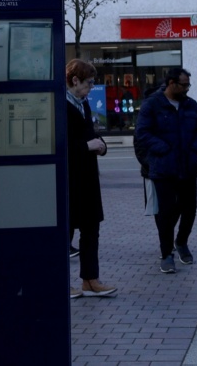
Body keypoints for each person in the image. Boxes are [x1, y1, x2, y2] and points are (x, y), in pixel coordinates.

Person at [133, 67, 197, 274]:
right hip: (163, 169)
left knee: (189, 208)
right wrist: (163, 150)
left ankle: (181, 242)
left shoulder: (190, 105)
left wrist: (194, 150)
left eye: (188, 85)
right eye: (183, 85)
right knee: (165, 213)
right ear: (171, 83)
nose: (187, 89)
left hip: (188, 166)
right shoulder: (152, 105)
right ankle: (166, 254)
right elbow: (142, 133)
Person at [66, 59, 117, 298]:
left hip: (87, 177)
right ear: (74, 80)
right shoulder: (60, 104)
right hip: (69, 178)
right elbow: (59, 145)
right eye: (88, 83)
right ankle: (62, 281)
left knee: (90, 228)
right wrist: (87, 145)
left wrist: (101, 146)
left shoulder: (82, 103)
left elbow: (91, 133)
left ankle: (90, 279)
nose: (91, 88)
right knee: (66, 231)